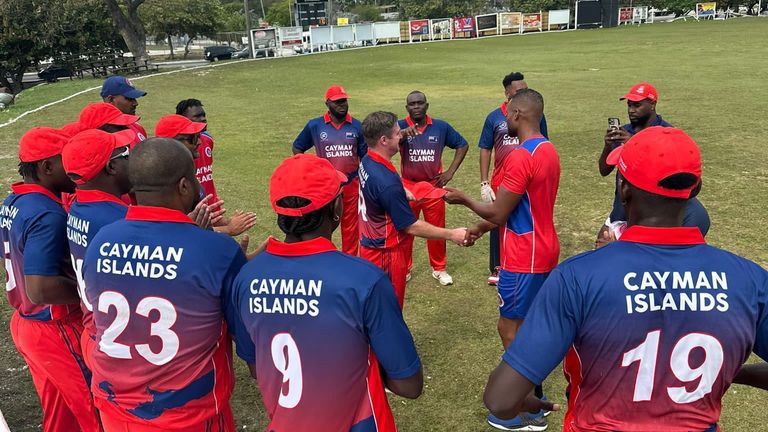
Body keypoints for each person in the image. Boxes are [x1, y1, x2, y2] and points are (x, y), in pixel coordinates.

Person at [484, 126, 768, 432]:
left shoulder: (576, 277)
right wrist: (727, 371)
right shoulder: (749, 279)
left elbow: (500, 399)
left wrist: (522, 400)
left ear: (623, 189)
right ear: (695, 190)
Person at [232, 153, 423, 431]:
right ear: (336, 208)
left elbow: (254, 366)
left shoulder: (246, 277)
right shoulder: (364, 280)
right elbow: (409, 384)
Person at [82, 138, 255, 431]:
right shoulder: (218, 250)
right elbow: (248, 340)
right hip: (188, 414)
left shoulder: (102, 239)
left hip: (116, 408)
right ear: (185, 186)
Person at [445, 89, 559, 431]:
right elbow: (515, 209)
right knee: (527, 328)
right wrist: (481, 229)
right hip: (543, 247)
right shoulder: (547, 149)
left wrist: (463, 198)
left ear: (519, 114)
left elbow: (499, 208)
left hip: (524, 256)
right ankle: (532, 399)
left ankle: (526, 409)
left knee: (510, 329)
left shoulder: (522, 156)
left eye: (508, 113)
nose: (504, 118)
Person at [0, 127, 101, 432]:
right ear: (46, 167)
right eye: (64, 160)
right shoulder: (47, 213)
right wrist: (89, 295)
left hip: (26, 324)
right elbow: (42, 287)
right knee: (95, 411)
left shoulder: (12, 201)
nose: (72, 165)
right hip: (54, 327)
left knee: (61, 414)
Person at [359, 111, 468, 308]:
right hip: (386, 253)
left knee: (375, 307)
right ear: (384, 140)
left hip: (370, 247)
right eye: (398, 133)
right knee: (390, 308)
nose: (402, 136)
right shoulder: (386, 181)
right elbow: (410, 226)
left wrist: (402, 188)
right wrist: (452, 234)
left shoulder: (368, 160)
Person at [596, 82, 710, 246]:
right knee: (600, 249)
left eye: (637, 105)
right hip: (623, 211)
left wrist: (635, 144)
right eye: (629, 105)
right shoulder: (624, 131)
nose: (631, 110)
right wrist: (608, 146)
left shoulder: (667, 134)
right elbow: (604, 170)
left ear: (652, 104)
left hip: (651, 215)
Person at [62, 128, 135, 367]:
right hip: (119, 342)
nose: (132, 159)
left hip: (94, 329)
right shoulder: (119, 220)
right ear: (111, 167)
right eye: (125, 154)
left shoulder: (79, 206)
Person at [479, 72, 549, 286]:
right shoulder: (494, 117)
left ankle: (522, 263)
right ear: (507, 93)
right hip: (502, 179)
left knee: (521, 218)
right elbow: (485, 148)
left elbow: (543, 141)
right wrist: (484, 182)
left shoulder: (535, 118)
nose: (523, 93)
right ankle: (498, 266)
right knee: (498, 220)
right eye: (519, 91)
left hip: (526, 177)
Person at [398, 90, 468, 286]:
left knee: (436, 229)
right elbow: (383, 145)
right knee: (406, 228)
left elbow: (462, 145)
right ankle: (405, 268)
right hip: (408, 186)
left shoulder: (440, 127)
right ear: (407, 108)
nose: (416, 107)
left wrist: (450, 172)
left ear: (426, 106)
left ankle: (439, 268)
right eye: (412, 104)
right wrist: (401, 135)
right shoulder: (399, 126)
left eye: (420, 103)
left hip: (432, 186)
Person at [155, 114, 257, 236]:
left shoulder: (186, 174)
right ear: (171, 143)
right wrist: (228, 229)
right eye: (192, 138)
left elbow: (195, 224)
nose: (199, 142)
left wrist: (222, 223)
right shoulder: (163, 184)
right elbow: (177, 232)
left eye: (198, 136)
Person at [293, 85, 366, 256]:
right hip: (325, 186)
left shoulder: (356, 126)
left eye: (344, 101)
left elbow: (365, 156)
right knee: (323, 224)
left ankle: (348, 260)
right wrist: (307, 171)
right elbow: (297, 148)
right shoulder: (315, 126)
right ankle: (324, 258)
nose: (342, 104)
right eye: (337, 102)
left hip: (351, 184)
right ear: (327, 104)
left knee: (350, 227)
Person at [101, 75, 149, 142]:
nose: (135, 103)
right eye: (129, 98)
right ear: (111, 99)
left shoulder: (137, 127)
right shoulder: (100, 136)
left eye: (134, 99)